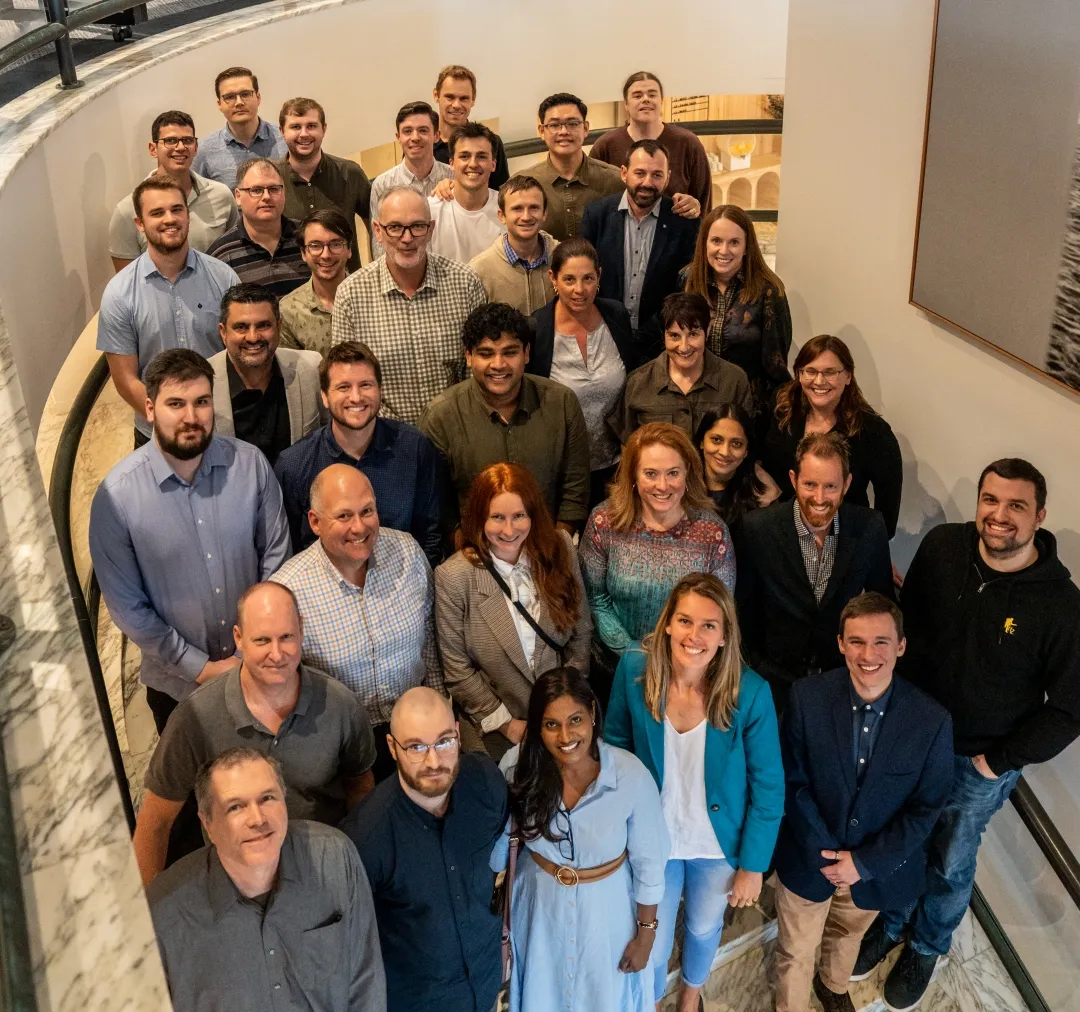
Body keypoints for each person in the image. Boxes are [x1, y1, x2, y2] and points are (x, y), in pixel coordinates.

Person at [854, 459, 1080, 1012]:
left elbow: (1070, 710)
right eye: (990, 501)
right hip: (911, 737)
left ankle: (928, 946)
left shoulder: (1060, 605)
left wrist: (995, 762)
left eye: (1016, 506)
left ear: (1039, 516)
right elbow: (907, 625)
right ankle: (893, 920)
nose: (999, 516)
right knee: (903, 838)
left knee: (950, 861)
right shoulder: (943, 548)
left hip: (976, 761)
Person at [605, 573, 784, 1012]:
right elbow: (615, 747)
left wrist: (753, 866)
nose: (695, 635)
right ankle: (645, 1002)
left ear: (724, 636)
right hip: (654, 841)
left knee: (704, 928)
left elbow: (769, 785)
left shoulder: (751, 693)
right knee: (654, 933)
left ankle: (690, 998)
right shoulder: (633, 670)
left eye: (709, 625)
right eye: (685, 621)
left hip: (716, 845)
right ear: (667, 623)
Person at [89, 349, 291, 732]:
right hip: (177, 691)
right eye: (175, 404)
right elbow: (129, 608)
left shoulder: (250, 466)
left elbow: (277, 562)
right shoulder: (115, 498)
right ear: (149, 409)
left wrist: (256, 650)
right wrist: (200, 668)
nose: (191, 417)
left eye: (201, 402)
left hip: (261, 673)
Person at [773, 592, 953, 1012]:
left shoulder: (932, 721)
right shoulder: (806, 698)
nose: (867, 654)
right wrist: (825, 852)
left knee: (847, 934)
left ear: (901, 646)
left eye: (880, 642)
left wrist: (862, 863)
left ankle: (833, 986)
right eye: (856, 641)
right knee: (796, 950)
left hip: (875, 868)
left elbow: (925, 809)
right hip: (809, 855)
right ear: (840, 643)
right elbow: (791, 779)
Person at [132, 581, 377, 886]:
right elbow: (155, 822)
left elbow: (361, 791)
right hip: (235, 889)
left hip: (322, 879)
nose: (277, 654)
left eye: (286, 637)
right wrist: (150, 909)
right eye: (262, 640)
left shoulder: (340, 705)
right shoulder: (195, 718)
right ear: (239, 638)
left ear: (301, 630)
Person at [147, 748, 386, 1012]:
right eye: (235, 807)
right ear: (208, 823)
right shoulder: (164, 912)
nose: (258, 819)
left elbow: (366, 979)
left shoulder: (334, 858)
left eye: (267, 798)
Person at [492, 667, 670, 1012]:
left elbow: (649, 865)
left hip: (609, 915)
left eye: (575, 719)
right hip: (538, 911)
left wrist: (646, 934)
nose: (565, 736)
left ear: (592, 712)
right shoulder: (517, 765)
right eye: (551, 724)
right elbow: (500, 847)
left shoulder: (630, 775)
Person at [270, 464, 442, 783]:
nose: (359, 527)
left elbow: (430, 644)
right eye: (344, 516)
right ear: (315, 522)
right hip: (342, 752)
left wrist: (441, 714)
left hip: (417, 730)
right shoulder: (289, 591)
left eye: (367, 511)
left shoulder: (407, 551)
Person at [342, 687, 509, 1012]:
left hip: (490, 987)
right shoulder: (364, 839)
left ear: (458, 735)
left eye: (444, 741)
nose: (433, 761)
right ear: (392, 747)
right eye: (416, 747)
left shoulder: (486, 784)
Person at [435, 463, 592, 759]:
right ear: (480, 518)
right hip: (499, 729)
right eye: (497, 517)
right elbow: (456, 667)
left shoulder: (560, 549)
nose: (509, 530)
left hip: (564, 720)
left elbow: (581, 633)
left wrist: (564, 704)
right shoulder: (454, 576)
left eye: (519, 516)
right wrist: (507, 724)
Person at [734, 432, 893, 717]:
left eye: (830, 486)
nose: (819, 498)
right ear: (794, 480)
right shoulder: (757, 529)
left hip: (842, 683)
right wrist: (756, 671)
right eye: (810, 484)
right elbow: (743, 610)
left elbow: (883, 606)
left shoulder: (869, 527)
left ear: (847, 484)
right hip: (773, 686)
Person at [579, 421, 735, 707]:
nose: (662, 486)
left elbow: (719, 611)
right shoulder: (604, 523)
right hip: (615, 672)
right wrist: (637, 656)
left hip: (689, 674)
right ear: (634, 476)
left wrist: (676, 662)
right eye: (651, 474)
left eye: (673, 473)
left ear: (688, 473)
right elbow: (595, 599)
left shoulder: (713, 532)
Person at [418, 301, 590, 536]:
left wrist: (555, 549)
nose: (498, 365)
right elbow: (438, 505)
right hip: (476, 557)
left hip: (548, 549)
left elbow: (576, 490)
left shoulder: (562, 403)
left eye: (509, 352)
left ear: (526, 353)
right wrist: (468, 555)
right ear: (468, 356)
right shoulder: (440, 417)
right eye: (486, 354)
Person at [97, 175, 240, 445]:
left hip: (221, 426)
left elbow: (238, 357)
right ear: (140, 224)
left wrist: (205, 417)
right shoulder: (119, 294)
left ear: (188, 214)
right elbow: (125, 380)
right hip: (154, 433)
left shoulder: (224, 278)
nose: (169, 219)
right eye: (157, 213)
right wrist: (172, 421)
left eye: (177, 209)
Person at [274, 341, 443, 564]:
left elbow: (431, 536)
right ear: (324, 396)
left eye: (365, 385)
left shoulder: (415, 448)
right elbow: (292, 551)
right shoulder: (294, 464)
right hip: (324, 593)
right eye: (343, 387)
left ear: (380, 391)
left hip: (403, 586)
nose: (356, 397)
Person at [331, 185, 485, 424]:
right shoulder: (351, 295)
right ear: (378, 231)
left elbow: (478, 369)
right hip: (386, 440)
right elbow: (346, 380)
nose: (407, 238)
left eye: (417, 226)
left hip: (457, 432)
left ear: (431, 228)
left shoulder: (464, 283)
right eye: (394, 227)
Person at [528, 238, 639, 506]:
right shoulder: (536, 329)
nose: (580, 290)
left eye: (588, 278)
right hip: (561, 473)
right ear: (553, 278)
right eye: (569, 280)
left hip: (617, 467)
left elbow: (635, 382)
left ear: (599, 276)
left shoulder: (615, 315)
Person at [759, 334, 904, 540]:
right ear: (799, 374)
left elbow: (885, 521)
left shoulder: (874, 433)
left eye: (830, 372)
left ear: (848, 376)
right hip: (778, 528)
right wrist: (767, 486)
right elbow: (752, 450)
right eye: (810, 371)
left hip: (839, 538)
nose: (819, 381)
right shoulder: (781, 405)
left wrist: (871, 551)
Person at [581, 139, 701, 340]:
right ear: (624, 173)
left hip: (661, 340)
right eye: (640, 173)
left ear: (668, 178)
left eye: (657, 175)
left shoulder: (684, 223)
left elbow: (686, 290)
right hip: (603, 334)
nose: (647, 182)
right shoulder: (596, 215)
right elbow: (584, 275)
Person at [683, 204, 792, 416]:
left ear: (747, 246)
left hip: (748, 411)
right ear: (704, 243)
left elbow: (776, 366)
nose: (724, 251)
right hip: (694, 407)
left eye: (734, 242)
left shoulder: (769, 291)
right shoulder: (686, 282)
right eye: (716, 241)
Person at [609, 292, 753, 444]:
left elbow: (745, 443)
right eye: (674, 336)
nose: (684, 347)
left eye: (693, 334)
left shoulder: (734, 380)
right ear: (663, 334)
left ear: (707, 331)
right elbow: (628, 450)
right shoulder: (638, 382)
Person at [207, 283, 323, 465]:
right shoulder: (203, 383)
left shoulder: (310, 369)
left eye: (263, 325)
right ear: (223, 332)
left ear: (279, 326)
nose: (253, 337)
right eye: (241, 327)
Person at [109, 110, 238, 272]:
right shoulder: (127, 211)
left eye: (187, 140)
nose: (181, 147)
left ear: (196, 147)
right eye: (170, 141)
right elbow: (128, 283)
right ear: (153, 149)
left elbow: (235, 253)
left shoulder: (221, 195)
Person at [591, 71, 713, 214]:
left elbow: (704, 200)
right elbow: (592, 201)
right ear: (626, 104)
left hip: (675, 234)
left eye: (652, 94)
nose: (645, 99)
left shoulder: (688, 143)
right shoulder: (605, 146)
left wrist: (695, 208)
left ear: (661, 101)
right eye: (637, 95)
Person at [278, 96, 371, 271]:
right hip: (292, 291)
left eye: (311, 126)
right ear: (282, 131)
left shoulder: (350, 173)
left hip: (347, 285)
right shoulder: (272, 180)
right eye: (296, 127)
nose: (304, 134)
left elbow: (376, 229)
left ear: (324, 129)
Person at [524, 93, 625, 241]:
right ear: (541, 131)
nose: (564, 132)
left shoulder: (615, 181)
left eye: (572, 124)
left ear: (585, 128)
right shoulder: (524, 184)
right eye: (554, 125)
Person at [207, 157, 309, 298]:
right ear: (238, 196)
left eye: (274, 189)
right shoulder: (221, 255)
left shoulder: (308, 237)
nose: (266, 197)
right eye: (256, 190)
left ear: (284, 192)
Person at [368, 101, 453, 257]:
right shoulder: (383, 184)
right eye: (407, 131)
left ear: (436, 135)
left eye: (423, 130)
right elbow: (379, 245)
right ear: (398, 137)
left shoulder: (453, 177)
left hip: (447, 273)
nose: (415, 137)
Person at [469, 174, 559, 315]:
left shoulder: (563, 259)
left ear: (544, 213)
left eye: (534, 208)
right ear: (502, 216)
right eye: (517, 208)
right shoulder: (479, 271)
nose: (526, 217)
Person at [191, 66, 287, 187]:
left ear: (258, 98)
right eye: (229, 97)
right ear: (219, 104)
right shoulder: (204, 151)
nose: (239, 102)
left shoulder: (285, 139)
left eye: (245, 94)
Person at [278, 208, 353, 359]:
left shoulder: (372, 296)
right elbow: (292, 373)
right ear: (303, 253)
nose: (326, 255)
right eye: (315, 246)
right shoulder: (288, 310)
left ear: (349, 249)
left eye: (336, 244)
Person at [693, 403, 780, 531]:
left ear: (746, 450)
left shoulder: (764, 496)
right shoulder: (680, 485)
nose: (725, 452)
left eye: (736, 443)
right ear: (701, 442)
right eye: (716, 440)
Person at [427, 123, 503, 264]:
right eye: (464, 156)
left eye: (481, 156)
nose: (473, 164)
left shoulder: (507, 210)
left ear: (493, 164)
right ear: (452, 163)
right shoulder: (431, 211)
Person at [431, 64, 511, 189]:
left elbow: (502, 196)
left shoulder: (492, 143)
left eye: (464, 98)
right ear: (436, 95)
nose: (456, 105)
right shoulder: (423, 145)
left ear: (473, 100)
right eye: (450, 97)